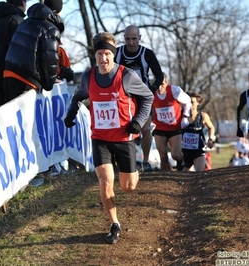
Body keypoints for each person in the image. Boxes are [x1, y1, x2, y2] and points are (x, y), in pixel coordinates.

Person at [63, 32, 154, 244]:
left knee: (128, 187)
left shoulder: (127, 76)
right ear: (95, 56)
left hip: (123, 138)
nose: (103, 59)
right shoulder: (88, 77)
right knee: (105, 183)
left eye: (106, 54)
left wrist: (138, 121)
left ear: (113, 55)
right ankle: (114, 224)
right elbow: (78, 96)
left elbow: (148, 97)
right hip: (100, 138)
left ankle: (136, 170)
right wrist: (70, 115)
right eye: (99, 54)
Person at [115, 25, 163, 172]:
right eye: (127, 39)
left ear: (140, 38)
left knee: (146, 129)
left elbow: (159, 76)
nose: (131, 43)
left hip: (143, 97)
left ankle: (146, 161)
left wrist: (152, 90)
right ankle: (124, 162)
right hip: (123, 98)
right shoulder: (116, 53)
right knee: (122, 130)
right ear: (123, 38)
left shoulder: (147, 53)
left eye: (134, 39)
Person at [3, 0, 64, 100]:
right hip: (26, 80)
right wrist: (49, 84)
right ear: (58, 13)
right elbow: (49, 60)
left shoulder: (25, 22)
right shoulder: (51, 29)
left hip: (9, 74)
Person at [152, 73, 191, 171]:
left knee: (175, 154)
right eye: (157, 85)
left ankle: (183, 162)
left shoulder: (174, 90)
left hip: (175, 127)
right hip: (160, 128)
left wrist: (185, 116)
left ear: (166, 83)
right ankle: (167, 178)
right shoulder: (151, 92)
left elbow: (187, 100)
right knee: (163, 156)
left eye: (162, 85)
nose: (160, 88)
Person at [181, 91, 215, 171]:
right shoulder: (180, 116)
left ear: (198, 103)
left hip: (198, 150)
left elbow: (211, 127)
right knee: (183, 177)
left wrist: (210, 139)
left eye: (192, 102)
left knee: (199, 173)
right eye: (188, 102)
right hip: (185, 151)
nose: (190, 105)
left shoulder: (203, 116)